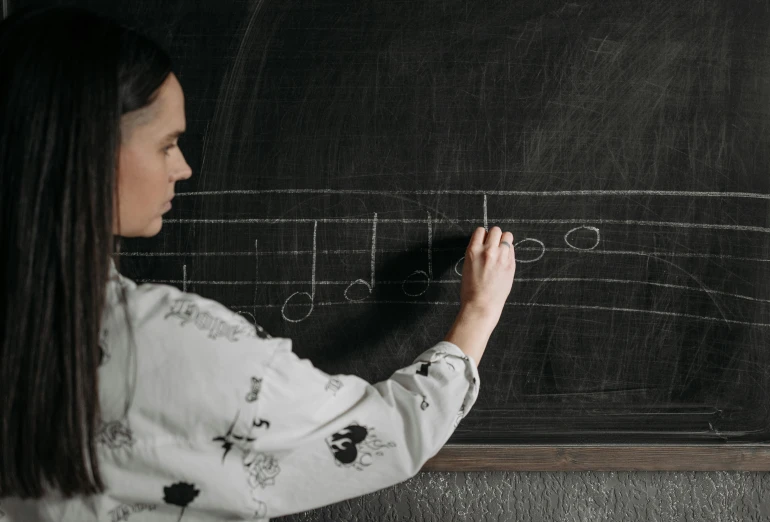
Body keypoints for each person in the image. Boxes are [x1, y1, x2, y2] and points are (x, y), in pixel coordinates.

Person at [0, 6, 516, 521]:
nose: (183, 167)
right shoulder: (171, 344)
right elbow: (383, 434)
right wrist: (478, 313)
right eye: (166, 145)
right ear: (87, 153)